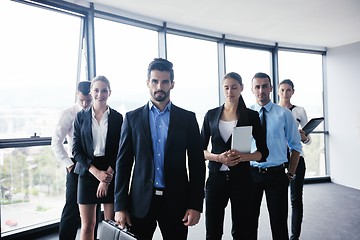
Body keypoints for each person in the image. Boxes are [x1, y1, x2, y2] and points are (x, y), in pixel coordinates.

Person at [114, 58, 206, 240]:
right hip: (139, 203)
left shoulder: (187, 119)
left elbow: (197, 164)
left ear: (172, 84)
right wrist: (120, 206)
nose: (159, 87)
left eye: (165, 82)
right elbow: (123, 164)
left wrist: (195, 204)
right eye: (155, 81)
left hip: (176, 202)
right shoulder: (132, 119)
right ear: (148, 82)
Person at [201, 72, 268, 240]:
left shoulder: (251, 116)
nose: (230, 91)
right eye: (226, 88)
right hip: (216, 180)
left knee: (242, 230)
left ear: (242, 88)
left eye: (234, 87)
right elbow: (199, 151)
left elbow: (263, 153)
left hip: (242, 180)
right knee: (213, 231)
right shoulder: (211, 115)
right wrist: (219, 158)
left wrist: (242, 157)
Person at [249, 72, 302, 240]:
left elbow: (296, 146)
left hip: (276, 174)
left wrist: (291, 173)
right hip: (251, 175)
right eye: (257, 87)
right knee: (248, 223)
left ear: (271, 88)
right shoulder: (246, 114)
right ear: (252, 89)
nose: (261, 90)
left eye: (265, 86)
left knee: (279, 225)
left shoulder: (284, 114)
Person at [73, 75, 123, 240]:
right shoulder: (80, 117)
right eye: (96, 90)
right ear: (91, 91)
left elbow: (119, 150)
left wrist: (106, 178)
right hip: (88, 171)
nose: (100, 94)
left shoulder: (117, 118)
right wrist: (96, 173)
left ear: (109, 92)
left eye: (104, 90)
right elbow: (76, 150)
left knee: (111, 225)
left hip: (110, 171)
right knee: (88, 226)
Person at [51, 81, 93, 240]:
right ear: (77, 94)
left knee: (92, 208)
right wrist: (69, 165)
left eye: (88, 100)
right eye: (82, 99)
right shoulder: (68, 113)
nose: (85, 103)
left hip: (93, 164)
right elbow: (56, 142)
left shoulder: (96, 112)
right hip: (75, 164)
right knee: (72, 208)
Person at [278, 79, 311, 240]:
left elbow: (308, 138)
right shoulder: (273, 110)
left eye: (288, 90)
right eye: (282, 90)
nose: (285, 93)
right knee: (279, 200)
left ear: (292, 92)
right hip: (278, 159)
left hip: (297, 159)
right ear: (277, 91)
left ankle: (294, 236)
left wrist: (304, 137)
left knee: (296, 199)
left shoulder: (299, 111)